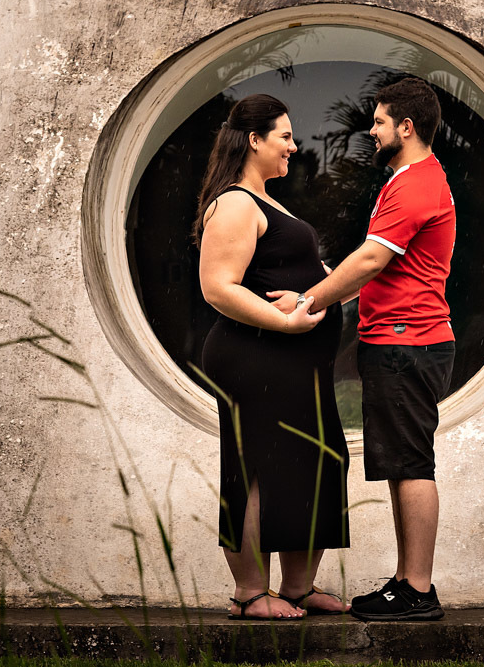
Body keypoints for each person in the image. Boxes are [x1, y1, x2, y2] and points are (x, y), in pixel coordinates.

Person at [270, 77, 455, 621]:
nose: (370, 131)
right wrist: (325, 285)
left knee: (413, 464)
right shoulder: (409, 180)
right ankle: (405, 582)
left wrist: (307, 300)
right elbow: (372, 267)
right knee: (403, 464)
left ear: (407, 126)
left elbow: (372, 260)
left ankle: (417, 589)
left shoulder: (415, 183)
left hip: (407, 344)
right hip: (401, 341)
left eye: (377, 122)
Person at [195, 93, 352, 620]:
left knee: (312, 459)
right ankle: (249, 592)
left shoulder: (270, 202)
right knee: (258, 469)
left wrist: (318, 299)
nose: (293, 145)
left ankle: (298, 587)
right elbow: (218, 287)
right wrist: (287, 321)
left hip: (294, 363)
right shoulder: (237, 202)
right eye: (283, 135)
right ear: (254, 139)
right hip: (255, 357)